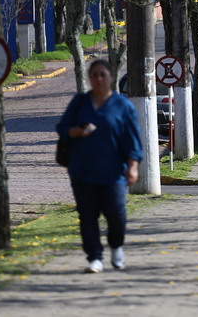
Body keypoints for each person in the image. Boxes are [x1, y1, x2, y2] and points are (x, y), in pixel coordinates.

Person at [56, 59, 143, 274]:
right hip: (82, 170)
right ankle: (94, 257)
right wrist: (75, 131)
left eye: (103, 74)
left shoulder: (123, 106)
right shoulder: (80, 102)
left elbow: (132, 139)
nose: (99, 79)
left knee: (116, 215)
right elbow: (63, 127)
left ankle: (116, 247)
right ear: (90, 78)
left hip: (113, 172)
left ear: (111, 78)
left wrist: (132, 166)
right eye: (94, 75)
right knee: (87, 216)